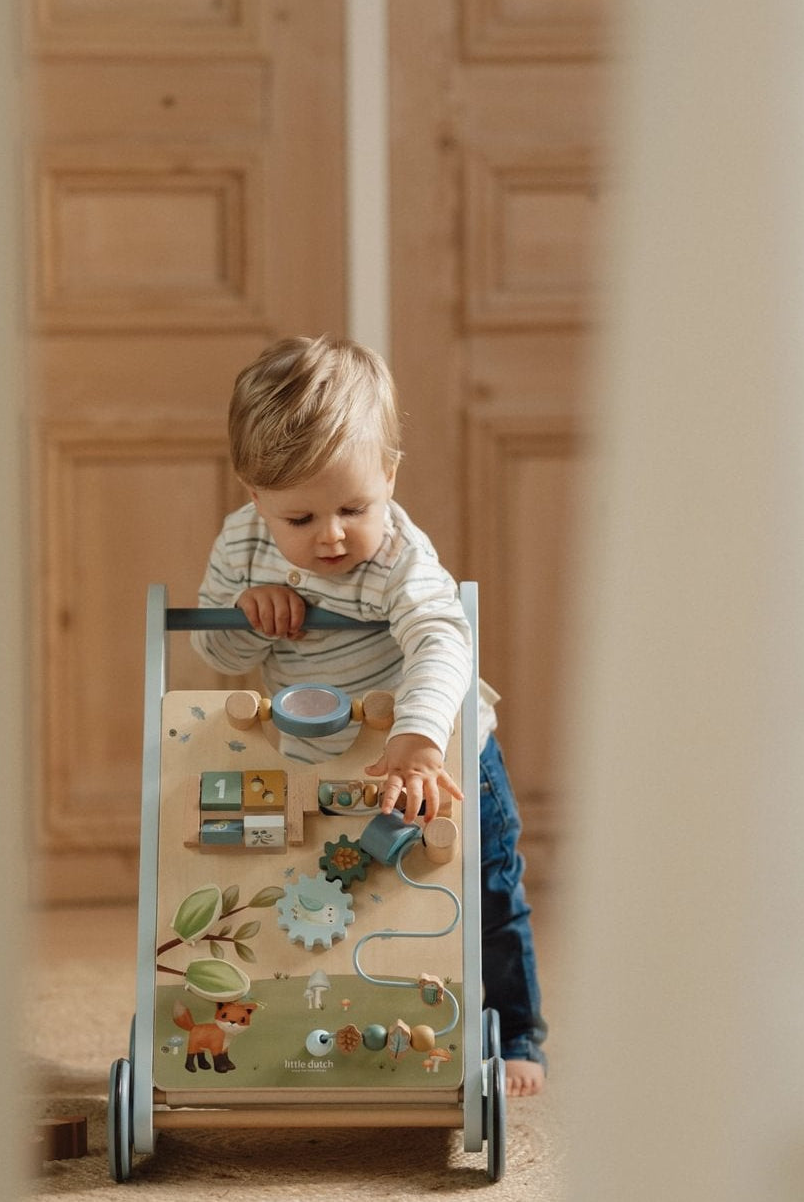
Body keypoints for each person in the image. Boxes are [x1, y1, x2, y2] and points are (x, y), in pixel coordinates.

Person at [189, 335, 547, 1095]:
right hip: (324, 754)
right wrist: (251, 613)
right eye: (300, 517)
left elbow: (441, 639)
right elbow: (217, 650)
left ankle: (516, 1032)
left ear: (389, 473)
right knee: (338, 888)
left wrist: (420, 739)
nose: (330, 535)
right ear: (254, 493)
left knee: (486, 890)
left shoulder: (398, 558)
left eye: (354, 508)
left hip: (437, 751)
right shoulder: (242, 543)